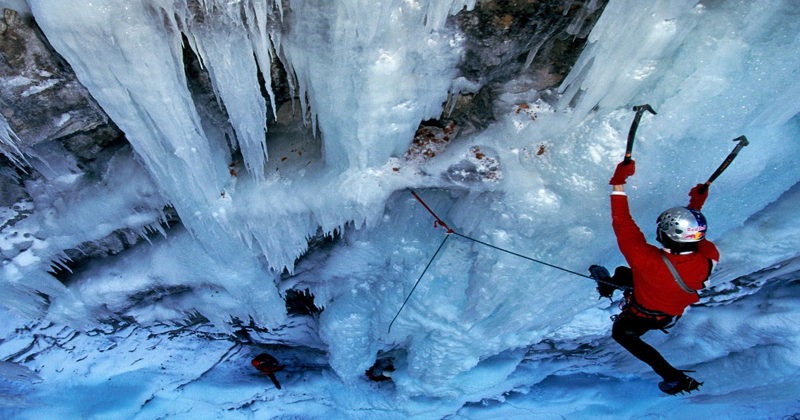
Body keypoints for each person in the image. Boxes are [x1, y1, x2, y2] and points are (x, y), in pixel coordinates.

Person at [590, 159, 720, 395]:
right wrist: (695, 208)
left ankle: (673, 376)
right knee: (624, 274)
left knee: (621, 333)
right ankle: (609, 286)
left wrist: (618, 182)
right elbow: (691, 237)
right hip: (663, 311)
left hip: (644, 309)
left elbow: (623, 221)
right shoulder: (708, 257)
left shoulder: (645, 259)